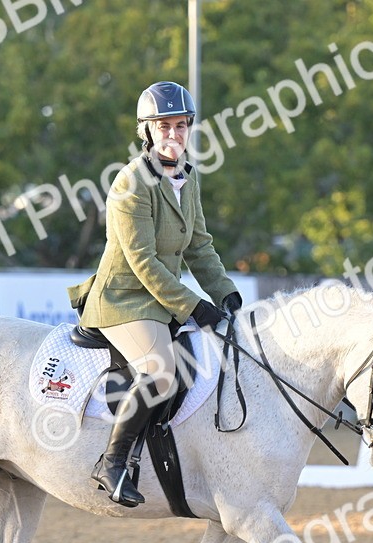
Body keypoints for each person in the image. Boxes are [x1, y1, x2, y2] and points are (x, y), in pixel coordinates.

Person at [67, 81, 243, 508]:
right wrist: (192, 305)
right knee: (162, 369)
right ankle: (112, 462)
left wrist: (226, 293)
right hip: (123, 299)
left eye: (181, 126)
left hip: (160, 297)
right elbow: (144, 262)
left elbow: (199, 244)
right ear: (146, 131)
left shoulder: (188, 176)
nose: (174, 135)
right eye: (163, 126)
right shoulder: (131, 183)